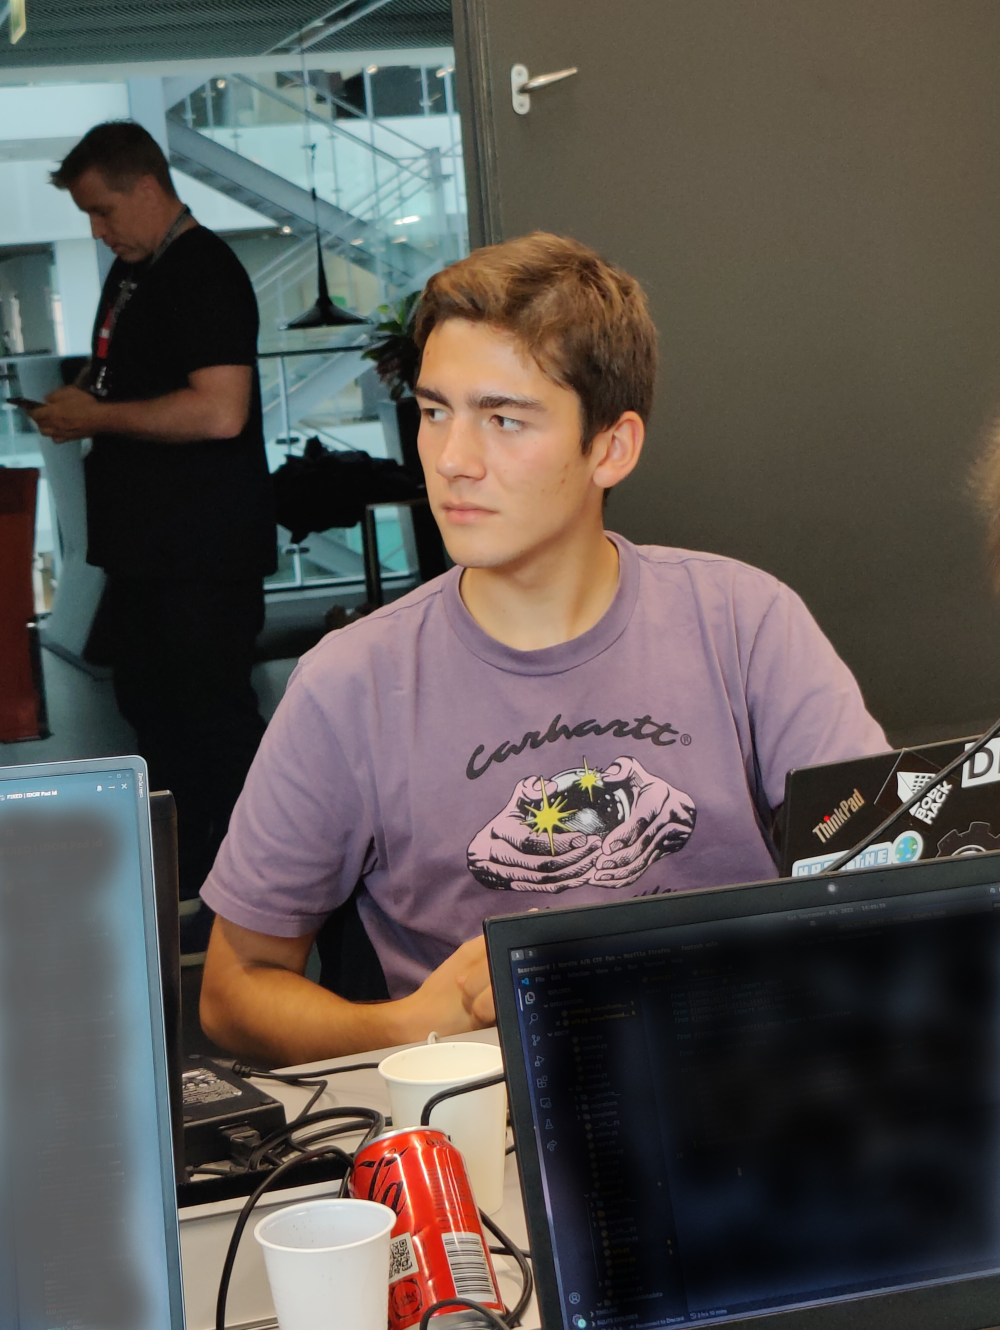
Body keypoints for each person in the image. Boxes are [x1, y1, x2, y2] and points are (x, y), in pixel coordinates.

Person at [199, 233, 888, 1063]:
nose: (452, 460)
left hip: (740, 1081)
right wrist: (413, 1024)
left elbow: (887, 885)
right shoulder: (349, 684)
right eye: (434, 412)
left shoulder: (746, 622)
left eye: (503, 419)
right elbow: (233, 991)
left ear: (611, 448)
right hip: (487, 1114)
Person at [31, 122, 276, 938]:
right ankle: (190, 872)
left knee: (211, 717)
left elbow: (219, 411)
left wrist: (97, 416)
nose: (97, 230)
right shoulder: (136, 272)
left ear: (145, 186)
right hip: (149, 551)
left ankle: (253, 887)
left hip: (201, 551)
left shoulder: (202, 270)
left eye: (102, 210)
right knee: (153, 709)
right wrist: (80, 400)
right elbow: (123, 375)